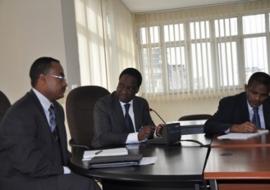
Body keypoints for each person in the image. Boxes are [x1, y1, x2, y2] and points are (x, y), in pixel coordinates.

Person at [0, 57, 100, 190]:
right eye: (60, 77)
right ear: (42, 79)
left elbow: (60, 152)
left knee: (88, 178)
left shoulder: (57, 109)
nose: (65, 83)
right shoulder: (20, 113)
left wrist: (83, 163)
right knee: (84, 185)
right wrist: (63, 170)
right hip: (21, 178)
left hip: (44, 172)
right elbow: (27, 161)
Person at [92, 68, 156, 148]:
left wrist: (157, 132)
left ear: (137, 89)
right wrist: (137, 137)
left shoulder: (141, 103)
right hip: (110, 151)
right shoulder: (103, 105)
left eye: (129, 88)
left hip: (139, 151)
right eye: (121, 85)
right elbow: (103, 137)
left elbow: (150, 128)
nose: (124, 91)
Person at [204, 72, 270, 136]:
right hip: (239, 146)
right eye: (254, 93)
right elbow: (209, 126)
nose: (257, 98)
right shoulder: (230, 103)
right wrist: (234, 127)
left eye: (263, 95)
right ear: (246, 88)